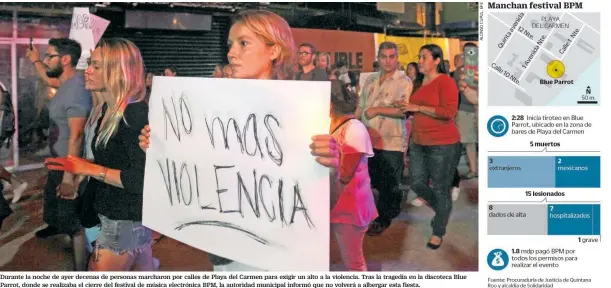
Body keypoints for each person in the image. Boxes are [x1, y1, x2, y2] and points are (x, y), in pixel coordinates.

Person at [139, 9, 340, 272]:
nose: (231, 53)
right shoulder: (214, 110)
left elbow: (323, 202)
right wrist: (161, 148)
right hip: (226, 256)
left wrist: (331, 167)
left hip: (278, 260)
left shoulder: (301, 113)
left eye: (244, 43)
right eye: (231, 45)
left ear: (274, 51)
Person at [45, 38, 153, 271]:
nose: (88, 71)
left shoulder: (134, 114)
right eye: (89, 64)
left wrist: (86, 169)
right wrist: (77, 166)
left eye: (96, 65)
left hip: (124, 219)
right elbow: (113, 160)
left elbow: (140, 180)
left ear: (118, 70)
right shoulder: (106, 109)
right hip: (112, 214)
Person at [398, 44, 461, 249]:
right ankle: (443, 211)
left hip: (443, 144)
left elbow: (448, 112)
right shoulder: (418, 83)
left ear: (436, 60)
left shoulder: (446, 81)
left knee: (441, 189)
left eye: (424, 57)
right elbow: (415, 109)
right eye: (419, 56)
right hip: (418, 142)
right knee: (416, 184)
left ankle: (438, 230)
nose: (420, 60)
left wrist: (417, 107)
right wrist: (406, 107)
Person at [356, 41, 412, 236]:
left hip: (391, 141)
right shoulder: (370, 80)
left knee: (389, 185)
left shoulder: (403, 81)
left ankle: (384, 218)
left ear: (397, 58)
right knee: (371, 182)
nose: (388, 61)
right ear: (378, 58)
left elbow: (403, 111)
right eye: (384, 57)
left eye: (392, 56)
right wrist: (351, 125)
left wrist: (378, 109)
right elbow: (360, 107)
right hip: (368, 140)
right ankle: (377, 211)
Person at [329, 80, 377, 271]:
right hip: (336, 202)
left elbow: (345, 175)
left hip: (350, 205)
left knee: (354, 262)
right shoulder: (333, 123)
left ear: (330, 104)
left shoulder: (354, 129)